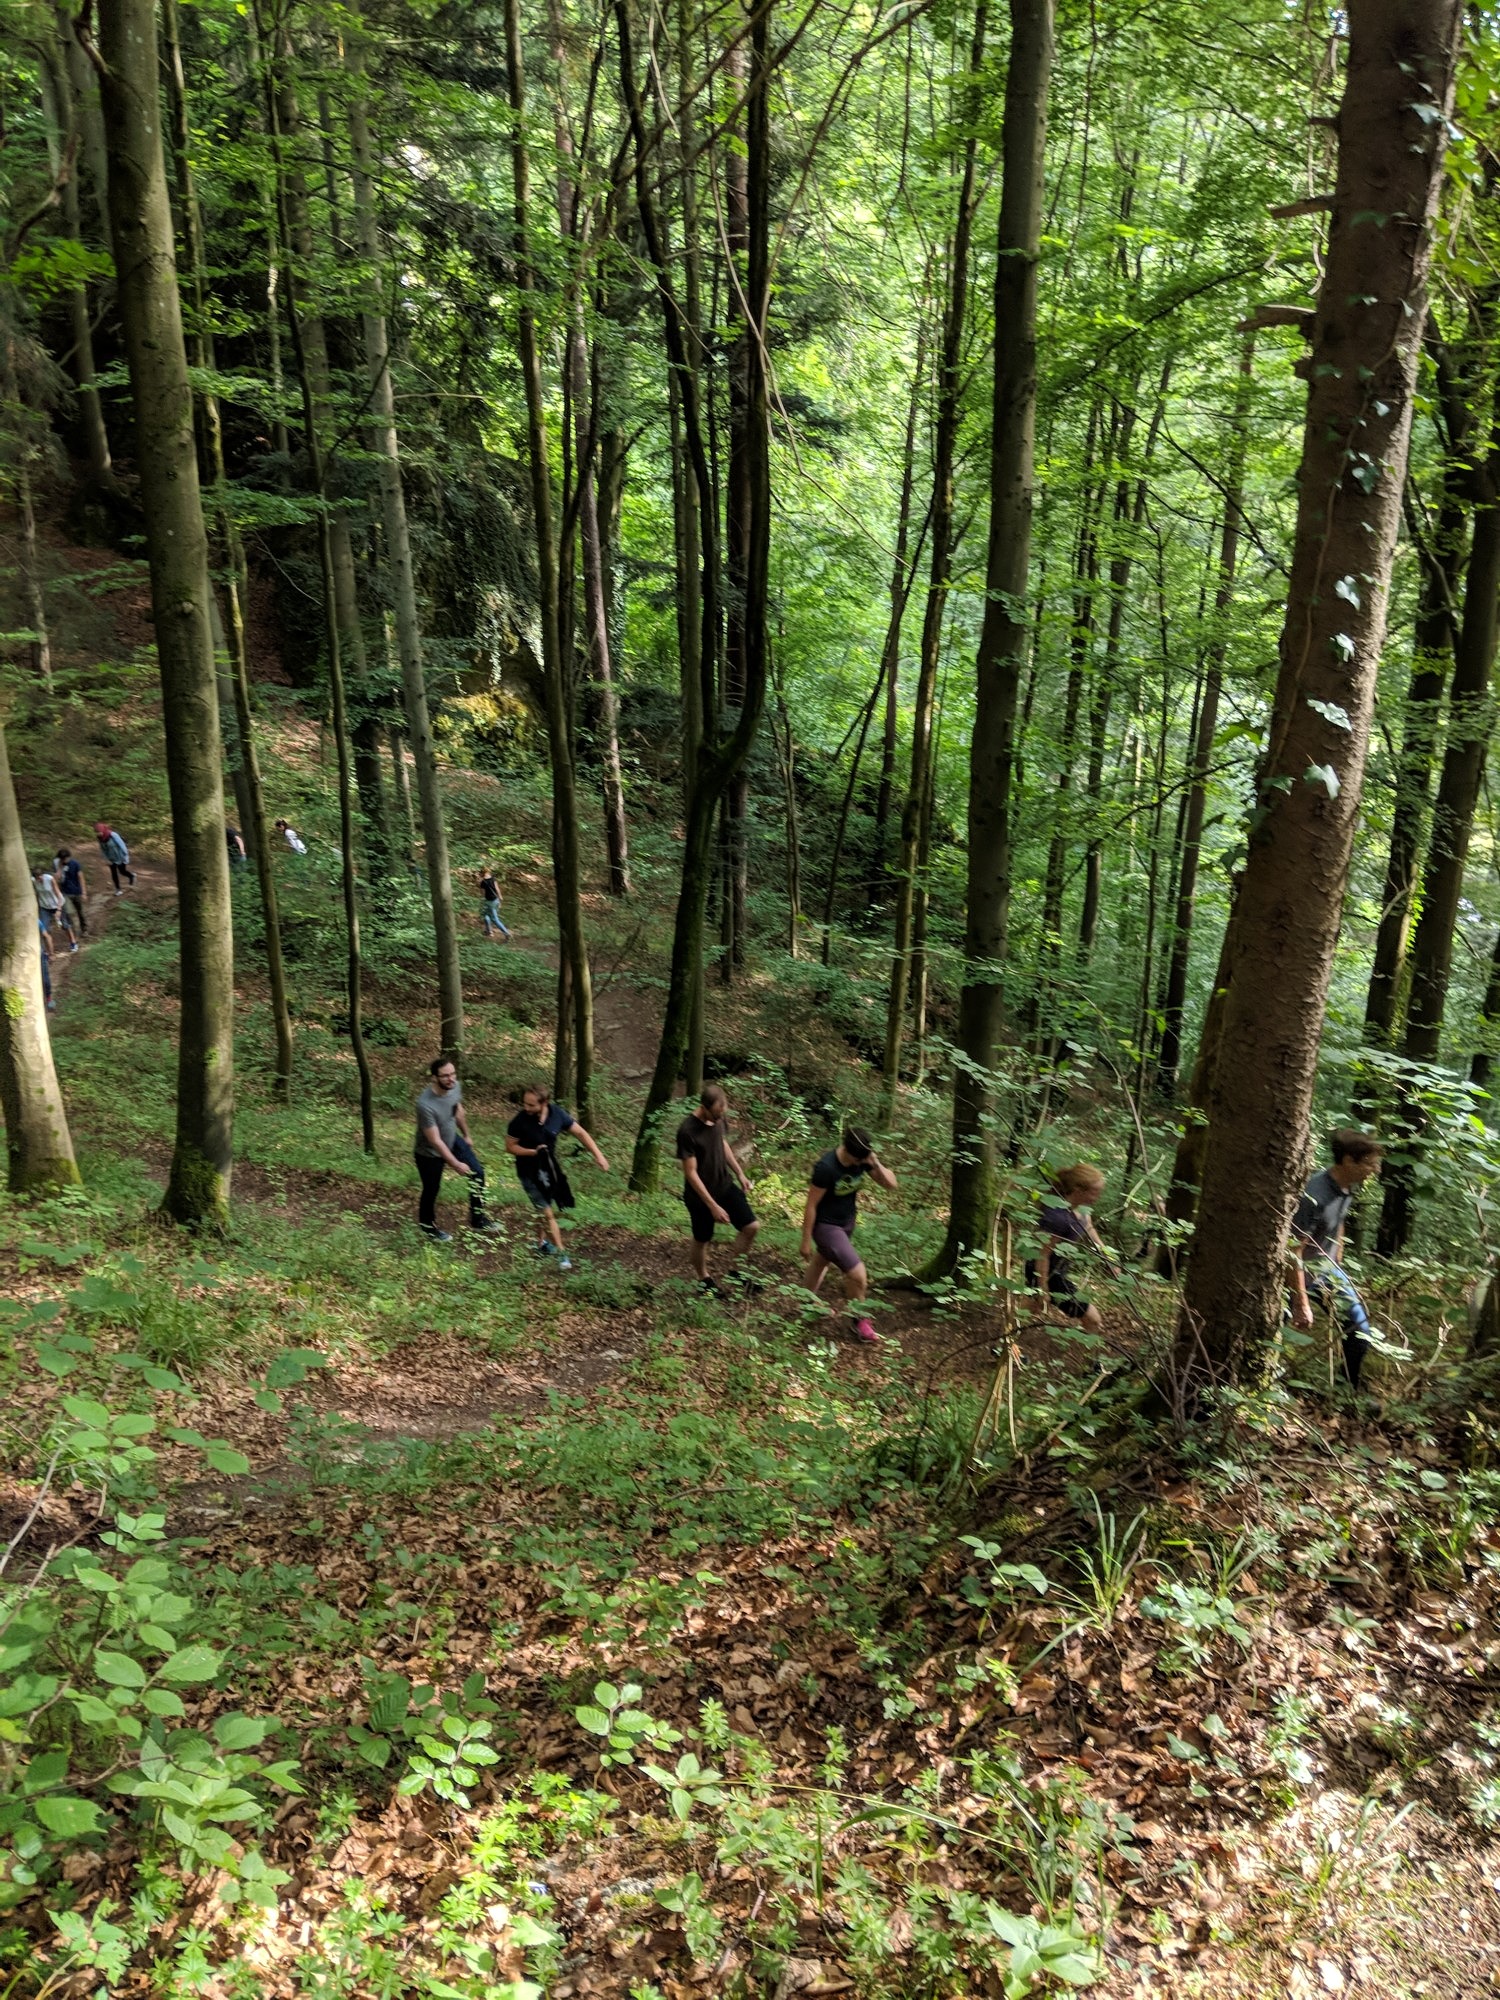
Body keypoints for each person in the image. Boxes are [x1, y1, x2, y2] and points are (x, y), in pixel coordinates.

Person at [1289, 1129, 1384, 1391]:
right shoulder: (1315, 1194)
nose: (1374, 1170)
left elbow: (1338, 1222)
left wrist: (1338, 1264)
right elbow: (1293, 1250)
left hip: (1327, 1271)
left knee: (1359, 1333)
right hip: (1295, 1275)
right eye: (1369, 1163)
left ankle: (1347, 1391)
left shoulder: (1349, 1187)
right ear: (1348, 1161)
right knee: (1267, 1333)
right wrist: (1301, 1301)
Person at [800, 1127, 897, 1344]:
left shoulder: (863, 1160)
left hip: (847, 1222)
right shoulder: (826, 1168)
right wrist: (805, 1240)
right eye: (855, 1161)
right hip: (826, 1227)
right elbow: (811, 1205)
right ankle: (859, 1322)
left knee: (821, 1261)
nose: (857, 1166)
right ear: (847, 1150)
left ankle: (804, 1301)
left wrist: (876, 1163)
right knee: (858, 1274)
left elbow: (891, 1185)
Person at [506, 1083, 610, 1270]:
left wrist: (599, 1155)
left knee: (547, 1208)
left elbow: (580, 1133)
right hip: (528, 1172)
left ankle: (540, 1244)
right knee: (547, 1212)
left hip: (549, 1169)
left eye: (531, 1105)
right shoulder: (519, 1122)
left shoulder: (557, 1115)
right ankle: (562, 1254)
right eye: (525, 1104)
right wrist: (532, 1152)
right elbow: (510, 1147)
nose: (526, 1108)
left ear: (544, 1103)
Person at [675, 1084, 759, 1293]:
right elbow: (691, 1173)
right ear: (703, 1107)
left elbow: (722, 1143)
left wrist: (740, 1173)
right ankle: (704, 1280)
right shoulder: (687, 1131)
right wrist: (712, 1206)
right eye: (716, 1114)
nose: (720, 1118)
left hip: (724, 1184)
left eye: (722, 1113)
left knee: (751, 1227)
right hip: (700, 1196)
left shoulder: (719, 1118)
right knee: (702, 1239)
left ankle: (736, 1272)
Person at [413, 1057, 503, 1243]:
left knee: (477, 1173)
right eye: (445, 1076)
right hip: (429, 1152)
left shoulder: (455, 1087)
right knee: (431, 1189)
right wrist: (455, 1164)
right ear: (434, 1078)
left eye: (453, 1074)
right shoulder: (425, 1105)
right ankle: (429, 1228)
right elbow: (435, 1141)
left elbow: (458, 1110)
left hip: (453, 1139)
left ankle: (478, 1219)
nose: (451, 1079)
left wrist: (467, 1134)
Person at [1026, 1164, 1113, 1333]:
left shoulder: (1081, 1208)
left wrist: (1107, 1256)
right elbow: (1042, 1254)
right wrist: (1043, 1288)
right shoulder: (1058, 1217)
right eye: (1094, 1192)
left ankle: (1003, 1346)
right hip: (1045, 1271)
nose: (1097, 1197)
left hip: (1058, 1269)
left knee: (1028, 1308)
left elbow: (1088, 1226)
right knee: (1093, 1318)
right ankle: (1092, 1359)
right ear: (1078, 1189)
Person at [34, 863, 78, 953]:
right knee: (44, 928)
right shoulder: (34, 881)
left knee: (65, 925)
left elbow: (59, 895)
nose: (39, 880)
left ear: (42, 875)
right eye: (37, 878)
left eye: (40, 877)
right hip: (44, 907)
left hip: (57, 904)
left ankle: (73, 942)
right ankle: (48, 951)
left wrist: (59, 909)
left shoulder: (50, 879)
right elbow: (37, 894)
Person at [94, 823, 136, 892]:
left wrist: (125, 856)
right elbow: (103, 850)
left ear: (103, 830)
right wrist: (106, 859)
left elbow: (122, 845)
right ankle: (118, 889)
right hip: (111, 859)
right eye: (97, 832)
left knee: (122, 871)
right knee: (114, 873)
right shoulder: (100, 839)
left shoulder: (113, 835)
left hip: (120, 857)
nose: (98, 833)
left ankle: (131, 876)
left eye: (99, 831)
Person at [56, 848, 87, 935]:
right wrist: (59, 869)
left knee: (80, 911)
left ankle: (84, 929)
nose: (63, 860)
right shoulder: (59, 865)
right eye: (61, 859)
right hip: (66, 892)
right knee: (69, 913)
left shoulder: (75, 864)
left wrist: (84, 892)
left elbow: (81, 878)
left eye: (64, 858)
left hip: (76, 891)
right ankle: (75, 931)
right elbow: (57, 879)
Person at [479, 869, 511, 940]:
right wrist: (500, 898)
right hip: (496, 900)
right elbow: (497, 889)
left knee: (494, 919)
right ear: (488, 873)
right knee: (486, 915)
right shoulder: (493, 879)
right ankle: (488, 931)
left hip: (489, 902)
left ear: (482, 874)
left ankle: (506, 933)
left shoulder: (482, 882)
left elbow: (483, 894)